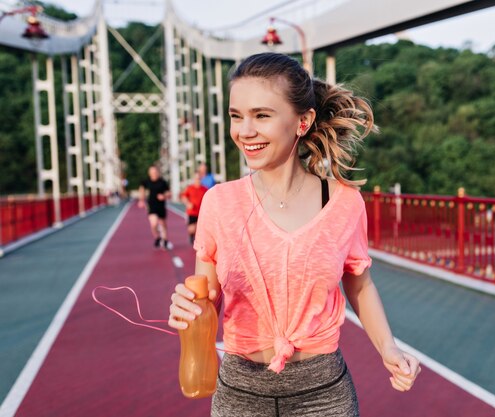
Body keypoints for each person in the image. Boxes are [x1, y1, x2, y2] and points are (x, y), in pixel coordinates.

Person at [168, 52, 420, 416]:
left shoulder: (345, 204)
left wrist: (389, 349)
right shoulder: (219, 203)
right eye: (236, 116)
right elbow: (208, 300)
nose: (245, 131)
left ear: (303, 121)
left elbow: (360, 285)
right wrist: (189, 310)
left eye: (262, 115)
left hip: (323, 394)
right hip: (240, 392)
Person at [138, 165, 173, 250]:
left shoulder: (162, 182)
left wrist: (164, 196)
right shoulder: (146, 182)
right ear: (149, 173)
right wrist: (141, 200)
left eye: (155, 172)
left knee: (163, 224)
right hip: (151, 206)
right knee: (154, 224)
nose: (154, 174)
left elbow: (169, 193)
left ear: (158, 172)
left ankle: (164, 240)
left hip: (161, 206)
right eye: (152, 172)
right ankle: (157, 237)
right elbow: (142, 190)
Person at [180, 172, 208, 244]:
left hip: (201, 213)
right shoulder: (190, 188)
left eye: (199, 178)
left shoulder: (204, 189)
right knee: (192, 229)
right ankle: (191, 235)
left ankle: (199, 241)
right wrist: (188, 203)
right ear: (194, 179)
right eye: (196, 178)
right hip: (192, 212)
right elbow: (183, 197)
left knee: (201, 229)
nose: (197, 180)